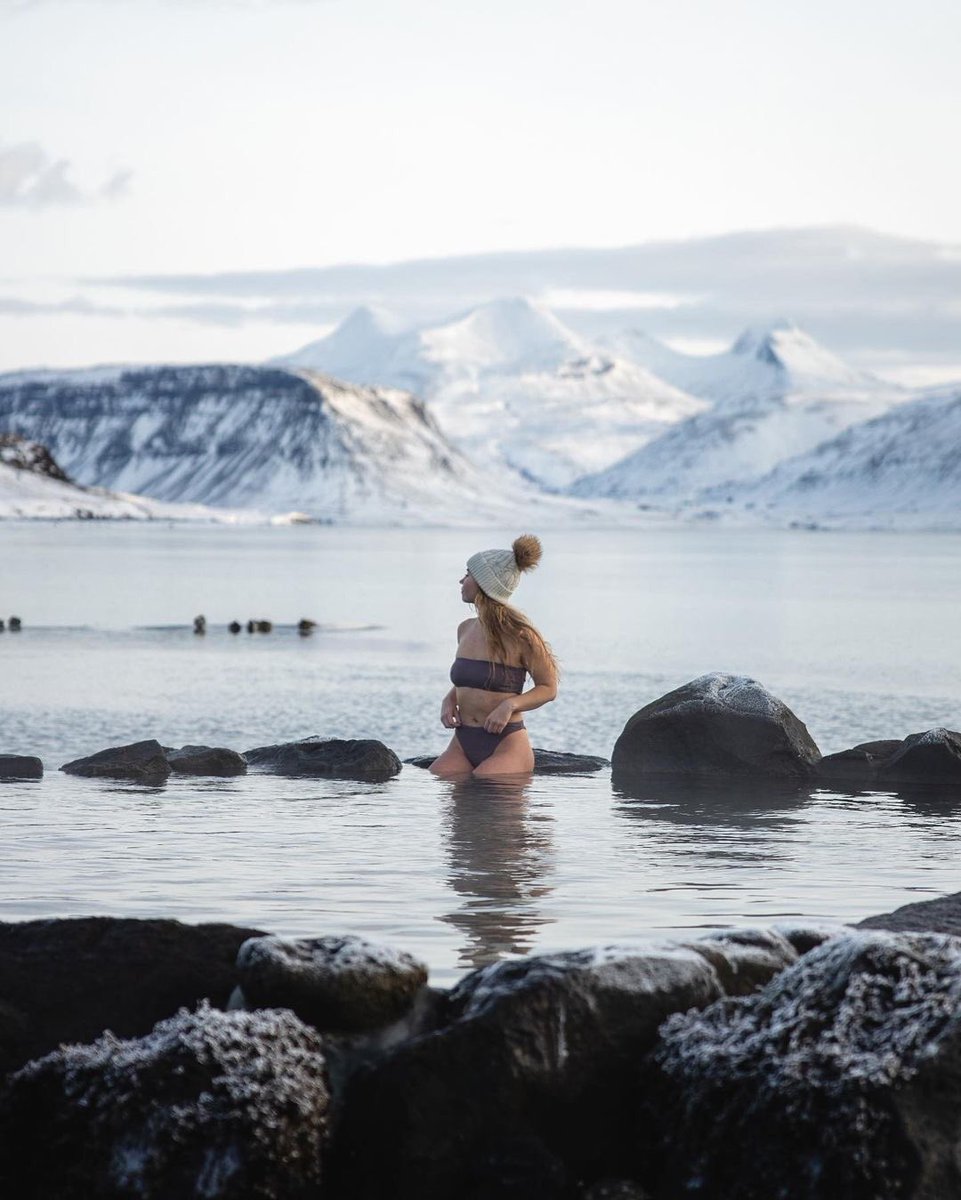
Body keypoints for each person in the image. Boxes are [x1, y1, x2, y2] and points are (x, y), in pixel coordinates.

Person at [430, 534, 559, 778]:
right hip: (463, 741)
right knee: (439, 780)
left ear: (484, 583)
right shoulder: (465, 629)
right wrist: (449, 699)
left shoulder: (522, 636)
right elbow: (472, 679)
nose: (461, 580)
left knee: (487, 794)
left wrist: (509, 705)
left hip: (506, 743)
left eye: (468, 574)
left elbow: (549, 688)